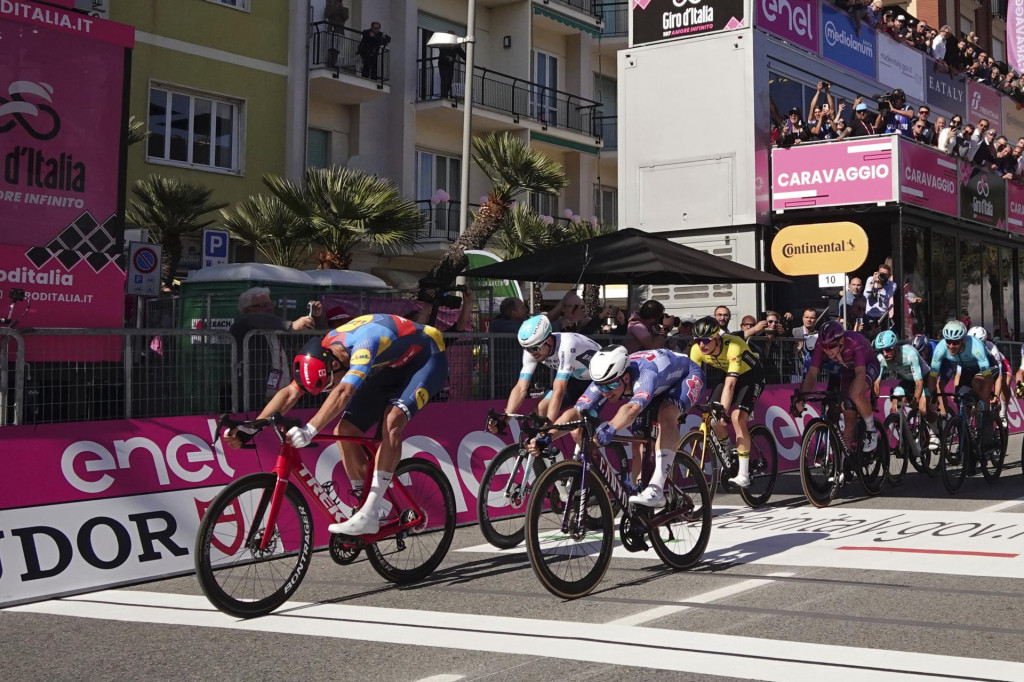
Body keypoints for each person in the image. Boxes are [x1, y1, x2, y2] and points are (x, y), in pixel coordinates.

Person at [224, 314, 448, 536]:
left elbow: (344, 391)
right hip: (395, 364)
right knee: (344, 430)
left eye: (327, 386)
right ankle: (365, 504)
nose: (328, 391)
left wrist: (310, 429)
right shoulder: (325, 351)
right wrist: (251, 428)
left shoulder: (365, 344)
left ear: (334, 364)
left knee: (392, 421)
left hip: (428, 357)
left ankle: (371, 510)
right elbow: (292, 391)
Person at [529, 344, 705, 507]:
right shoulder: (606, 378)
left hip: (685, 376)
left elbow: (631, 408)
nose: (606, 392)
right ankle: (638, 495)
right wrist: (547, 437)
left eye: (612, 385)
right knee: (638, 441)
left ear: (626, 377)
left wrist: (611, 427)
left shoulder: (646, 374)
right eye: (601, 387)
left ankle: (657, 489)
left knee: (666, 414)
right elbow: (575, 413)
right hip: (653, 388)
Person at [688, 316, 765, 487]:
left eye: (706, 340)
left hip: (752, 376)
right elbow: (691, 380)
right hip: (728, 373)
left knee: (737, 417)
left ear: (717, 338)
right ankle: (730, 453)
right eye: (698, 340)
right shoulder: (696, 350)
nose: (702, 345)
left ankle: (744, 474)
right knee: (713, 418)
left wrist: (724, 410)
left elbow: (730, 386)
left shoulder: (734, 346)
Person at [488, 314, 601, 429]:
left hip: (599, 380)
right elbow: (521, 387)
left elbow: (559, 389)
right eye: (526, 349)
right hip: (575, 379)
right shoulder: (532, 348)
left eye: (535, 348)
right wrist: (506, 419)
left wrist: (549, 425)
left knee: (579, 430)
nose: (532, 353)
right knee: (538, 413)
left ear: (549, 341)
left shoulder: (567, 345)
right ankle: (540, 446)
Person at [794, 321, 881, 462]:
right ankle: (846, 457)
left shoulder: (855, 341)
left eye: (831, 346)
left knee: (855, 393)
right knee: (847, 411)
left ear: (841, 340)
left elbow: (860, 373)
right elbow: (811, 374)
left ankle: (871, 431)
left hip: (867, 366)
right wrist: (802, 398)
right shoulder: (820, 345)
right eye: (825, 347)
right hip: (847, 371)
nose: (827, 350)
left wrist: (854, 393)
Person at [229, 287, 319, 405]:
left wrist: (315, 317)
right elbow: (254, 319)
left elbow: (306, 338)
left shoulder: (277, 328)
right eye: (263, 305)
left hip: (285, 396)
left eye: (271, 304)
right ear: (247, 309)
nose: (270, 308)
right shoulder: (242, 326)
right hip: (256, 399)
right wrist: (289, 325)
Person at [927, 320, 997, 451]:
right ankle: (967, 441)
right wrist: (934, 398)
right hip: (967, 370)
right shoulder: (941, 348)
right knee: (962, 401)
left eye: (955, 342)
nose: (951, 346)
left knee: (979, 390)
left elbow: (987, 378)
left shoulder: (976, 347)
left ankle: (987, 429)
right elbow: (932, 377)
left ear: (963, 340)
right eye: (948, 341)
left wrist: (985, 398)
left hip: (987, 368)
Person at [872, 330, 938, 449]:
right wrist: (874, 400)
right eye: (881, 351)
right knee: (895, 401)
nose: (884, 353)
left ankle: (935, 430)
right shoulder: (881, 359)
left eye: (888, 349)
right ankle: (904, 433)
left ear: (896, 347)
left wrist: (916, 399)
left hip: (923, 377)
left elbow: (919, 382)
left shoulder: (909, 353)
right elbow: (877, 383)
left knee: (923, 409)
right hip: (907, 380)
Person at [967, 326, 1011, 426]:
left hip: (999, 366)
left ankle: (1003, 413)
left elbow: (998, 375)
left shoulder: (992, 350)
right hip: (982, 367)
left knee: (1005, 383)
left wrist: (996, 394)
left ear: (985, 341)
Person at [434, 31, 465, 99]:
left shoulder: (456, 46)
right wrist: (448, 58)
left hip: (450, 65)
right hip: (443, 64)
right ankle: (443, 96)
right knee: (444, 80)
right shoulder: (444, 44)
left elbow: (463, 55)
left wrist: (469, 59)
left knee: (449, 82)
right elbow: (442, 53)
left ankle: (445, 95)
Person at [864, 262, 896, 326]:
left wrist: (879, 285)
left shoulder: (892, 285)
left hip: (882, 316)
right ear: (878, 272)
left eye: (886, 275)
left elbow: (885, 299)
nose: (883, 276)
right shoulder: (871, 279)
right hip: (869, 315)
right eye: (881, 274)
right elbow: (866, 296)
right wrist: (872, 283)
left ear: (889, 276)